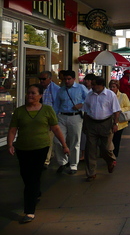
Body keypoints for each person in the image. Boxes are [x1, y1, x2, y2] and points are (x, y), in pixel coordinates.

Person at [7, 84, 69, 223]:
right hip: (23, 148)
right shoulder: (19, 111)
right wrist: (10, 144)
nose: (30, 95)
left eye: (33, 93)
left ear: (40, 96)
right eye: (28, 93)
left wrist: (64, 145)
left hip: (40, 148)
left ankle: (29, 211)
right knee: (25, 175)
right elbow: (12, 129)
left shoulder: (47, 110)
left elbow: (56, 128)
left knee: (33, 177)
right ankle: (35, 192)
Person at [82, 76, 121, 181]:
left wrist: (115, 124)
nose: (92, 86)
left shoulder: (110, 95)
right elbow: (86, 111)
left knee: (106, 148)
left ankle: (110, 160)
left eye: (94, 84)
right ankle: (91, 173)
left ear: (101, 85)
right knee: (90, 149)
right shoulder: (89, 95)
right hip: (91, 123)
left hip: (106, 123)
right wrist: (84, 125)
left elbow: (116, 111)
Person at [54, 69, 88, 174]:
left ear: (74, 79)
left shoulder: (81, 88)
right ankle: (63, 162)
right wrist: (54, 118)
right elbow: (56, 105)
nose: (67, 81)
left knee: (75, 141)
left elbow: (89, 100)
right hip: (62, 116)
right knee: (58, 140)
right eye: (65, 79)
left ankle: (73, 164)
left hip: (75, 117)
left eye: (69, 79)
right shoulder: (61, 90)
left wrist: (81, 104)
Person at [38, 70, 61, 169]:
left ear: (50, 79)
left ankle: (45, 160)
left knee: (49, 138)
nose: (41, 81)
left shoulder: (56, 89)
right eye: (40, 79)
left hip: (50, 117)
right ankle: (48, 155)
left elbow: (57, 104)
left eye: (44, 79)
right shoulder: (38, 88)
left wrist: (54, 119)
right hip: (39, 117)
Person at [109, 79, 130, 157]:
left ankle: (115, 155)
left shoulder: (123, 96)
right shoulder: (107, 96)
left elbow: (128, 106)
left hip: (120, 122)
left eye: (113, 87)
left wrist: (119, 110)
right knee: (109, 140)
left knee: (116, 139)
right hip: (109, 121)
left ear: (117, 87)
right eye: (110, 87)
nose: (112, 89)